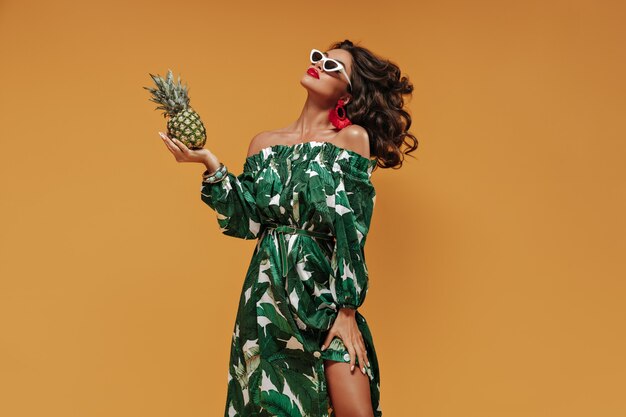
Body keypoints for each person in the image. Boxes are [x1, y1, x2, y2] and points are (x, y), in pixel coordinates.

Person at [159, 39, 417, 417]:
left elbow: (351, 228)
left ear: (349, 91)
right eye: (319, 59)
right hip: (266, 300)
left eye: (333, 67)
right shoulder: (263, 144)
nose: (320, 65)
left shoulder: (351, 140)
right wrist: (210, 163)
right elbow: (246, 221)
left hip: (324, 295)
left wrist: (347, 309)